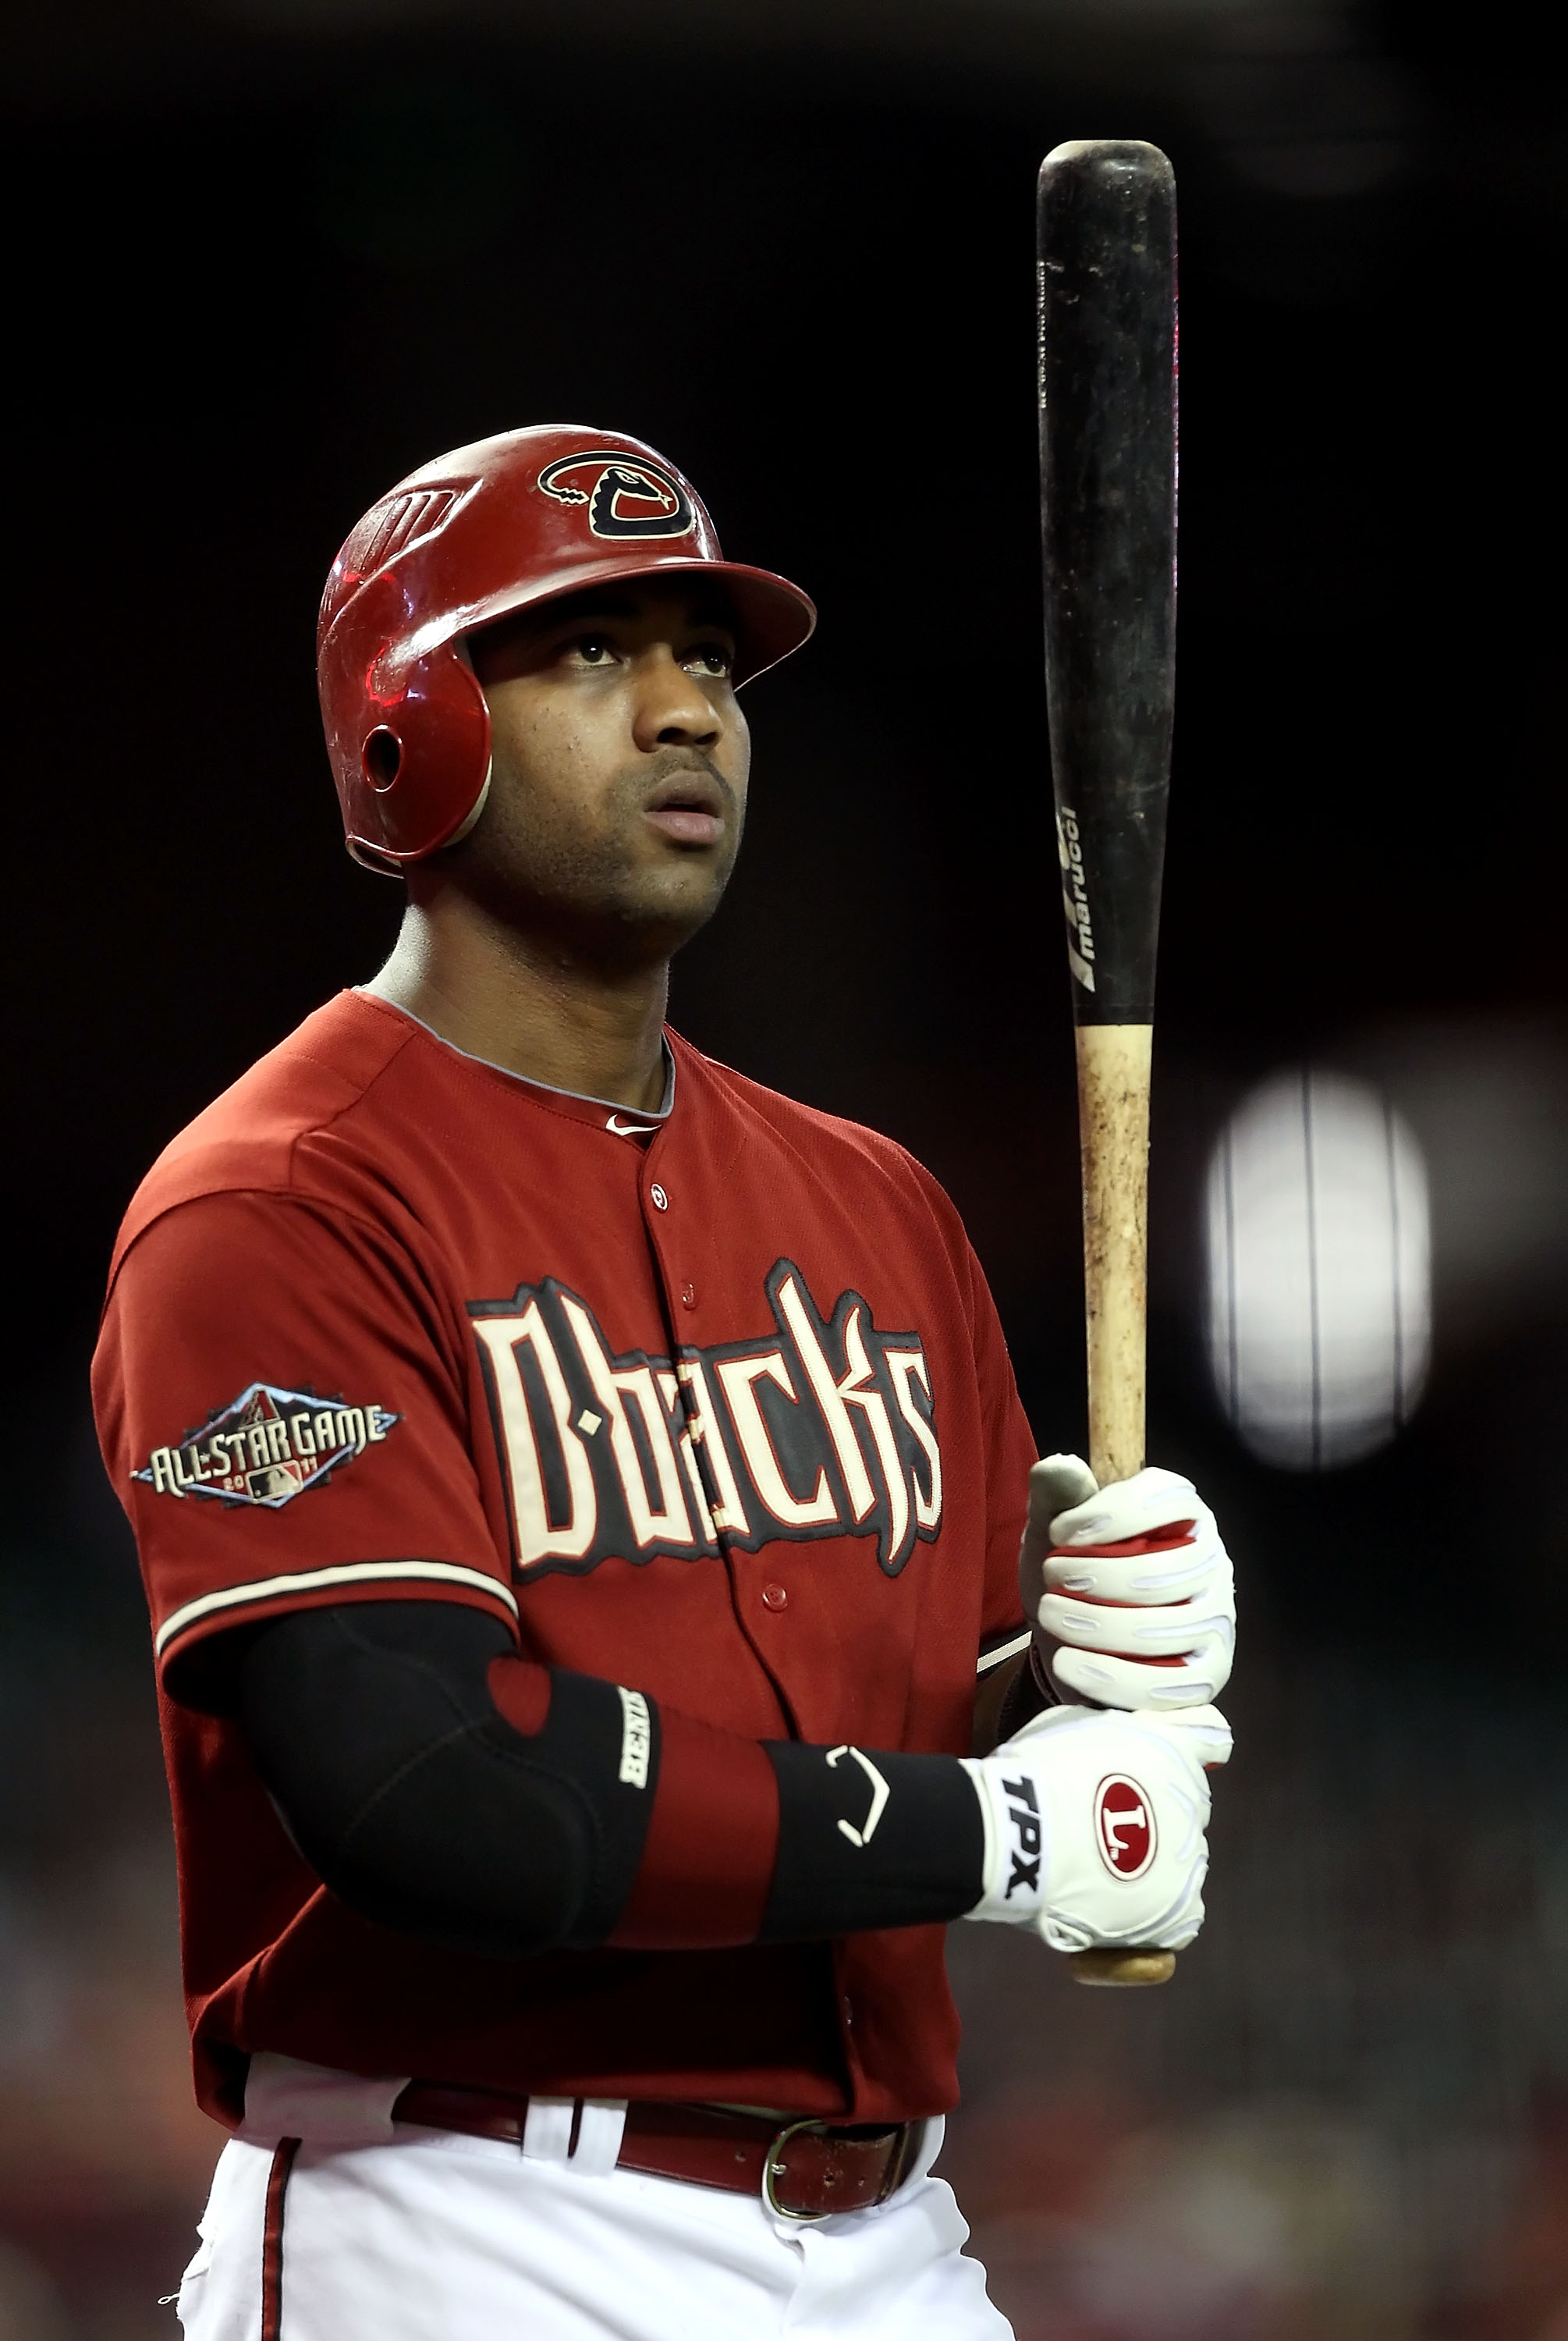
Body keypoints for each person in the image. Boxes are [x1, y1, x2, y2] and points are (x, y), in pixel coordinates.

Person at [92, 425, 1236, 2341]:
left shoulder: (875, 1203)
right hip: (468, 2218)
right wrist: (1018, 1838)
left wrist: (1098, 1663)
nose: (686, 711)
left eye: (706, 657)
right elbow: (437, 1789)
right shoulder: (277, 1201)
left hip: (890, 2238)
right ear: (409, 730)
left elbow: (940, 1716)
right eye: (591, 650)